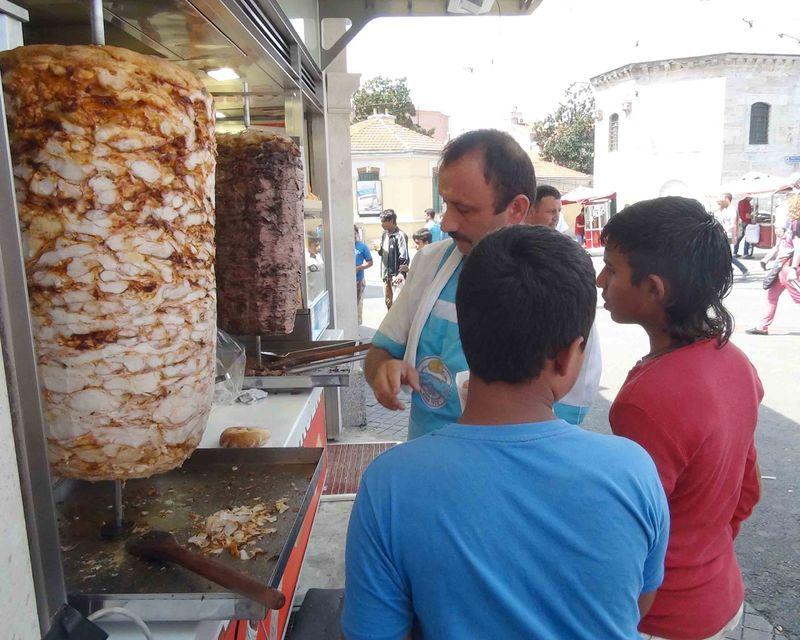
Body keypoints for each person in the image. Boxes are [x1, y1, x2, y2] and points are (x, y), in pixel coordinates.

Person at [343, 225, 669, 640]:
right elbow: (637, 605)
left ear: (466, 334)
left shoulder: (389, 484)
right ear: (570, 355)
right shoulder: (633, 471)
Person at [365, 129, 602, 440]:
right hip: (429, 464)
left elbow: (567, 417)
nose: (447, 223)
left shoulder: (558, 281)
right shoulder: (429, 265)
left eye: (464, 209)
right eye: (446, 204)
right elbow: (379, 352)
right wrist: (383, 370)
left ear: (517, 208)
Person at [597, 196, 762, 640]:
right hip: (723, 599)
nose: (600, 280)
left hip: (664, 621)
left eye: (611, 269)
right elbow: (747, 489)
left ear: (654, 289)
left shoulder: (646, 401)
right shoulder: (737, 363)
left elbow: (628, 538)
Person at [746, 197, 800, 335]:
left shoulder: (795, 224)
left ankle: (762, 326)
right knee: (771, 296)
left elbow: (798, 246)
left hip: (787, 266)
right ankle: (762, 326)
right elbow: (783, 243)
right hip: (784, 267)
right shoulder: (792, 223)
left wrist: (793, 268)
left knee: (776, 297)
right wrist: (768, 258)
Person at [376, 209, 409, 310]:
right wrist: (379, 250)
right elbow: (383, 253)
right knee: (388, 302)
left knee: (398, 305)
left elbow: (404, 256)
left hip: (396, 276)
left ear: (391, 221)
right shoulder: (384, 234)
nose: (381, 224)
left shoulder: (400, 235)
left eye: (383, 221)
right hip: (386, 276)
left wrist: (401, 274)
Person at [713, 194, 749, 276]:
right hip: (722, 233)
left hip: (727, 234)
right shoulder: (723, 208)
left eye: (722, 198)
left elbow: (733, 223)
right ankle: (730, 268)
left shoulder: (732, 209)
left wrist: (734, 236)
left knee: (725, 253)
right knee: (723, 253)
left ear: (726, 199)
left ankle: (743, 269)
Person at [354, 225, 373, 326]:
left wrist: (358, 268)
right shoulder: (342, 246)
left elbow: (370, 262)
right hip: (344, 282)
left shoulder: (362, 246)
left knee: (357, 305)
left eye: (354, 233)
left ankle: (357, 327)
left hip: (358, 280)